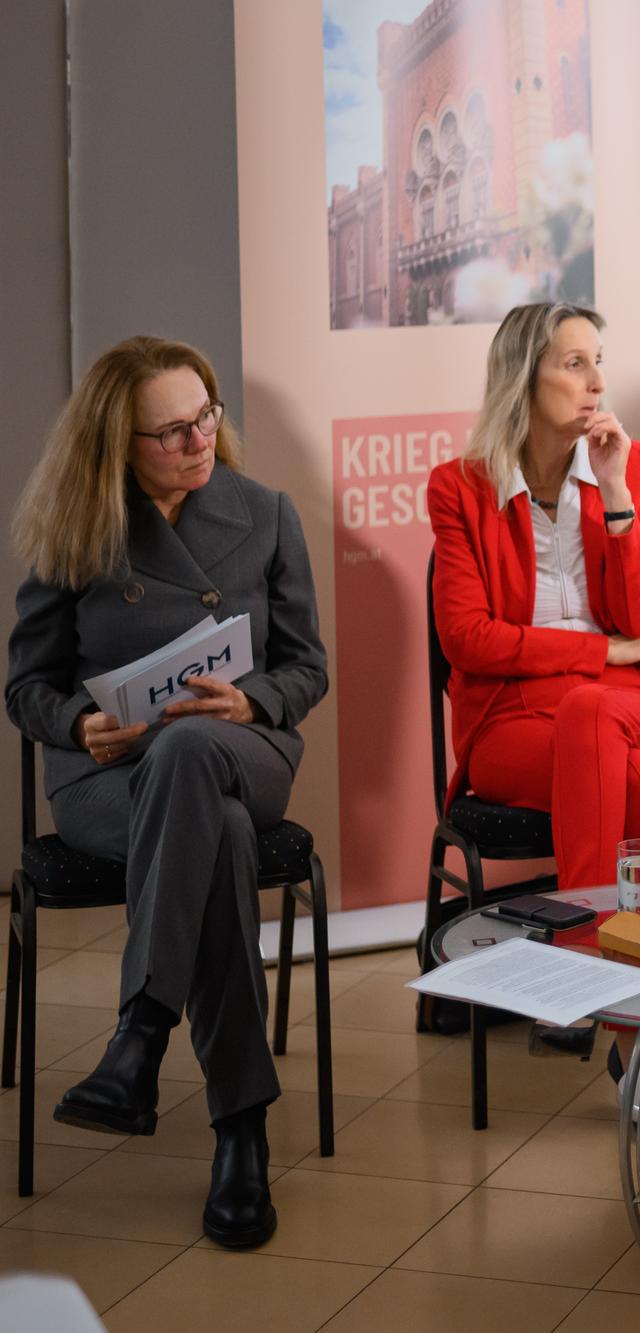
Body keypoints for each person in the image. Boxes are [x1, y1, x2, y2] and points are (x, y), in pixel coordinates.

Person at [6, 336, 329, 1249]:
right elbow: (26, 686)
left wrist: (251, 699)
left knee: (193, 748)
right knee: (214, 829)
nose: (199, 440)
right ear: (119, 444)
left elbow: (307, 665)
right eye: (173, 431)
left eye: (206, 417)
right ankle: (241, 1133)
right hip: (110, 778)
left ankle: (139, 1036)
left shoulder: (265, 512)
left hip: (244, 749)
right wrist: (78, 722)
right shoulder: (79, 525)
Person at [428, 302, 640, 894]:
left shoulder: (633, 466)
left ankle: (584, 936)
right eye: (575, 364)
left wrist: (615, 492)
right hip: (511, 715)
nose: (598, 382)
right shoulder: (460, 487)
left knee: (593, 714)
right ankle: (628, 932)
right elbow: (468, 639)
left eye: (598, 361)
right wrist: (604, 651)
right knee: (639, 780)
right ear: (523, 378)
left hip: (631, 702)